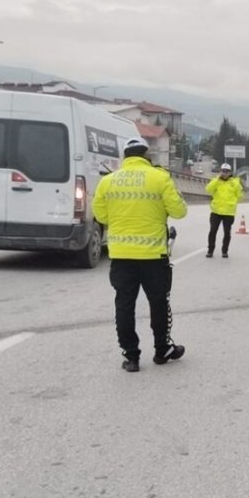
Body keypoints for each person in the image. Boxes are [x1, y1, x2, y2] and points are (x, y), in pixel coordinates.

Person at [92, 138, 188, 372]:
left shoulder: (107, 181)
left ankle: (131, 356)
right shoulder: (159, 177)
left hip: (121, 256)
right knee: (158, 303)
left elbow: (101, 217)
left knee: (124, 305)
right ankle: (162, 349)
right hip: (153, 255)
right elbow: (179, 211)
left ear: (125, 157)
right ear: (146, 156)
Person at [205, 162, 244, 258]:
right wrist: (217, 180)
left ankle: (225, 251)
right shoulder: (216, 181)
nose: (225, 173)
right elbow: (208, 189)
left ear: (230, 172)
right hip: (216, 211)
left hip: (228, 212)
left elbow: (240, 196)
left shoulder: (234, 183)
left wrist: (233, 202)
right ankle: (210, 250)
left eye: (227, 171)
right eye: (223, 171)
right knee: (212, 231)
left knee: (227, 233)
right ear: (220, 171)